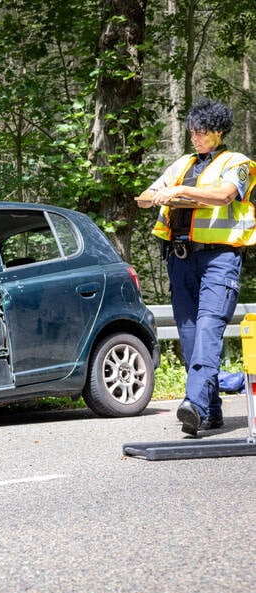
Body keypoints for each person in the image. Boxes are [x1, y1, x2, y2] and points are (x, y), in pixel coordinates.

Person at [137, 98, 256, 436]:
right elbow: (147, 197)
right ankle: (211, 412)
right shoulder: (182, 164)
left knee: (207, 329)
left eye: (201, 131)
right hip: (180, 260)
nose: (195, 137)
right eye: (191, 131)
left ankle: (194, 405)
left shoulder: (239, 163)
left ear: (219, 131)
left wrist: (177, 192)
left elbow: (224, 195)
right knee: (189, 339)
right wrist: (158, 194)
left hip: (219, 259)